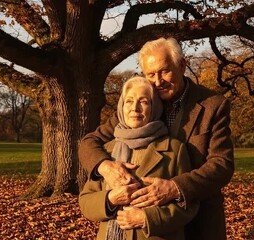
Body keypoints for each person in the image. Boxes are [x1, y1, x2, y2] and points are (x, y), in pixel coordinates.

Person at [79, 37, 234, 239]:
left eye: (165, 71)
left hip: (199, 221)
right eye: (151, 74)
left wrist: (175, 188)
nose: (158, 81)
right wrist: (106, 167)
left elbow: (222, 164)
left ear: (182, 65)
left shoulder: (213, 105)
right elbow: (89, 142)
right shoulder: (137, 107)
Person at [79, 76, 198, 240]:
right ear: (122, 106)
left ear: (155, 107)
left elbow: (188, 205)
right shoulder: (107, 151)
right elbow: (85, 203)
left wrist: (148, 218)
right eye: (129, 101)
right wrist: (111, 199)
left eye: (143, 101)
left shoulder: (174, 149)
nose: (135, 108)